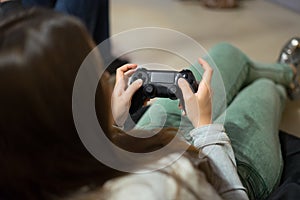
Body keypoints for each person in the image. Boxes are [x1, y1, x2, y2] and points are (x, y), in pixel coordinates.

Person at [0, 7, 299, 200]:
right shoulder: (159, 191)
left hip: (137, 140)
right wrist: (206, 126)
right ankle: (286, 77)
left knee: (226, 54)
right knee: (261, 91)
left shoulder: (33, 165)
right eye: (97, 72)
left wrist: (112, 123)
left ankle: (283, 74)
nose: (108, 75)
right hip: (225, 174)